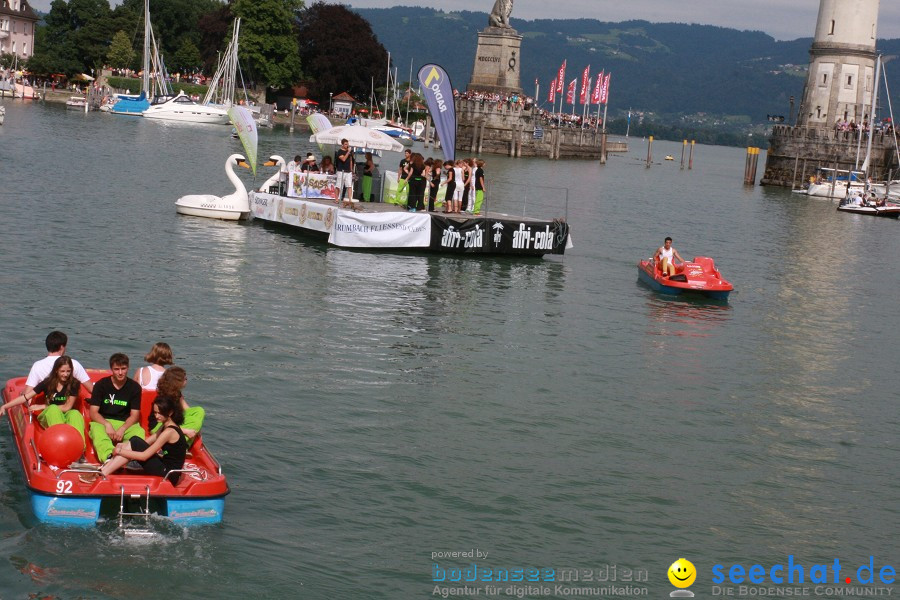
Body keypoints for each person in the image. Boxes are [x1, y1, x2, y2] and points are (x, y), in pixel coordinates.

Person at [81, 394, 187, 485]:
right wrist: (124, 445)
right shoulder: (164, 426)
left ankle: (103, 473)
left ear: (170, 412)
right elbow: (145, 443)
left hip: (169, 474)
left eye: (160, 413)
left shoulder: (169, 431)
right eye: (155, 413)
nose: (157, 416)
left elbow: (144, 456)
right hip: (165, 466)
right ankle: (104, 470)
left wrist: (120, 451)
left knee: (134, 442)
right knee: (135, 440)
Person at [1, 356, 86, 443]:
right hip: (50, 415)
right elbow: (26, 397)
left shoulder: (74, 384)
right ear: (56, 370)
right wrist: (5, 406)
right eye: (62, 371)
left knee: (75, 414)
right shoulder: (47, 383)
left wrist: (43, 406)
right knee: (53, 409)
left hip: (66, 414)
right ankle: (59, 443)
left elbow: (67, 407)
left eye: (68, 371)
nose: (65, 374)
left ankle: (79, 445)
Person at [88, 353, 145, 462]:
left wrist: (123, 428)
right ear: (111, 369)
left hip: (125, 422)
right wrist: (107, 424)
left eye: (123, 369)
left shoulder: (134, 387)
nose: (120, 373)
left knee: (138, 432)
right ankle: (109, 457)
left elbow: (135, 415)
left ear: (128, 368)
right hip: (104, 421)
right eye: (116, 369)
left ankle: (134, 459)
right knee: (96, 430)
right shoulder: (101, 385)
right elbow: (93, 412)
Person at [25, 331, 93, 396]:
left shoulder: (37, 365)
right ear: (62, 347)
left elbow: (27, 393)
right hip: (68, 403)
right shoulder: (73, 363)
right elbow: (91, 389)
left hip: (48, 402)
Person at [335, 138, 354, 209]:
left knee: (349, 185)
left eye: (347, 144)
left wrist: (351, 169)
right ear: (342, 144)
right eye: (345, 144)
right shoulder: (340, 151)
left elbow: (351, 160)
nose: (347, 145)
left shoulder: (349, 152)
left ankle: (350, 199)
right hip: (341, 170)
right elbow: (343, 159)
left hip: (348, 171)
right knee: (339, 185)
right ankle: (336, 199)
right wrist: (348, 152)